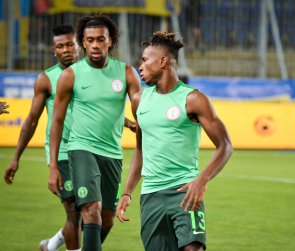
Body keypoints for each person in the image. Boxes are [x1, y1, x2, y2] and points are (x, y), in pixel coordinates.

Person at [116, 32, 233, 250]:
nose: (139, 66)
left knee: (193, 248)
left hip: (184, 191)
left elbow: (225, 146)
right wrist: (126, 192)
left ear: (162, 62)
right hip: (150, 196)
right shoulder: (138, 100)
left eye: (144, 60)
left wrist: (202, 180)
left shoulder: (194, 99)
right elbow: (140, 150)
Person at [48, 15, 141, 251]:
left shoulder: (127, 73)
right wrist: (53, 166)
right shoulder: (71, 75)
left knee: (107, 218)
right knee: (91, 210)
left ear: (110, 41)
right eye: (90, 40)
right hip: (81, 149)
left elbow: (143, 113)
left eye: (101, 39)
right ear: (83, 42)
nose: (96, 45)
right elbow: (57, 121)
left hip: (112, 154)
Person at [3, 25, 82, 251]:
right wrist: (16, 158)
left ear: (79, 45)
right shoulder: (46, 79)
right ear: (53, 50)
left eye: (70, 44)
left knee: (95, 212)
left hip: (91, 149)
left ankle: (51, 244)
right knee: (74, 211)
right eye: (60, 46)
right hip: (63, 152)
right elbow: (31, 120)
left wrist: (126, 123)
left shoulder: (92, 74)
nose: (66, 50)